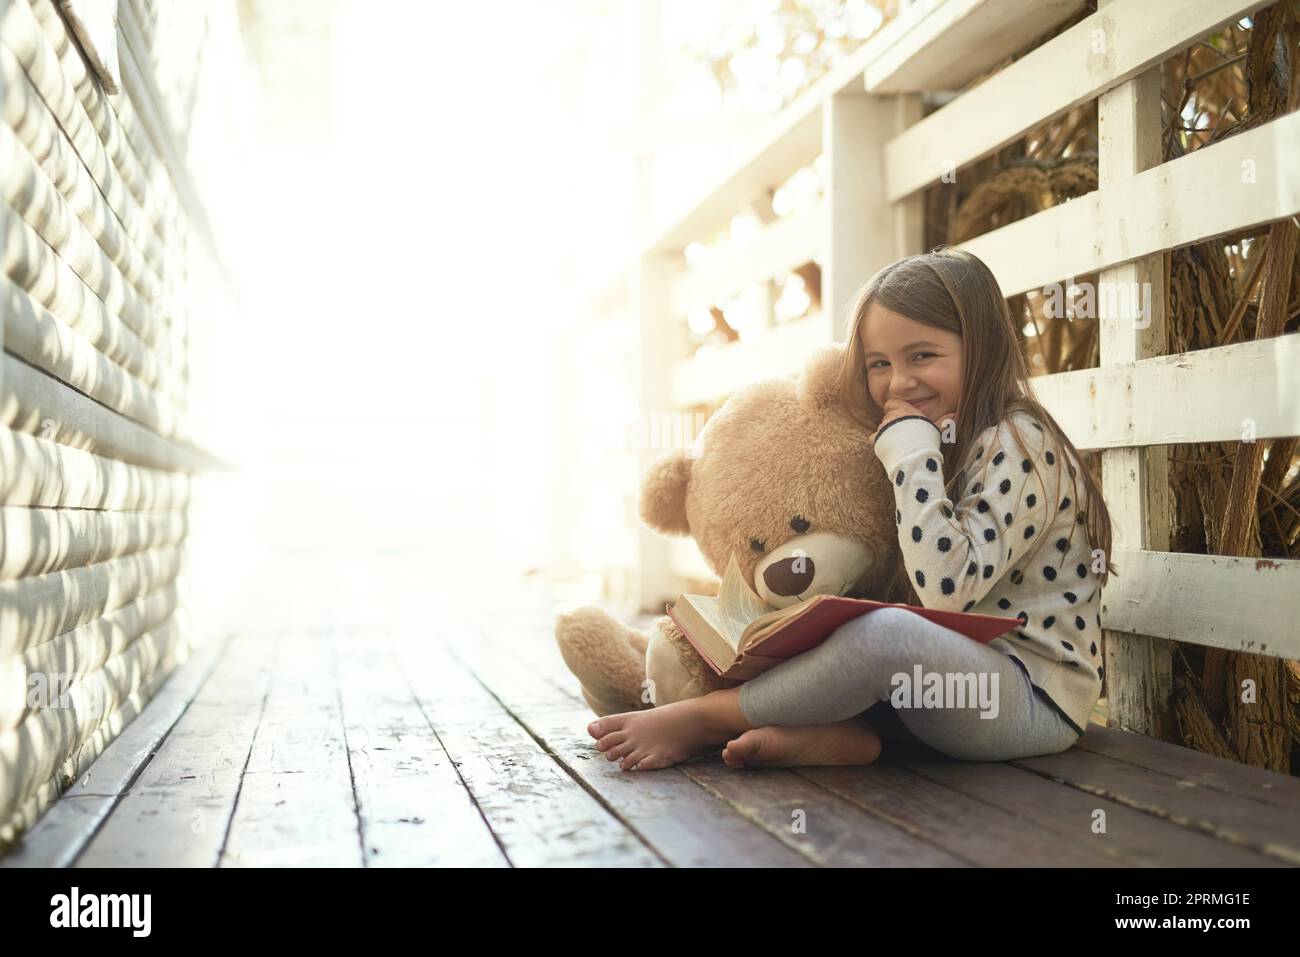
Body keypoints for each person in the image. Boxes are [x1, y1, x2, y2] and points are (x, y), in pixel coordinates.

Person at [588, 247, 1115, 770]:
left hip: (1029, 696)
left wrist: (911, 453)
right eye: (879, 364)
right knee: (836, 620)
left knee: (885, 636)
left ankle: (707, 718)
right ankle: (847, 735)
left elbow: (947, 591)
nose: (899, 382)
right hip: (936, 690)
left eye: (923, 355)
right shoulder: (943, 439)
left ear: (981, 348)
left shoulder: (1018, 440)